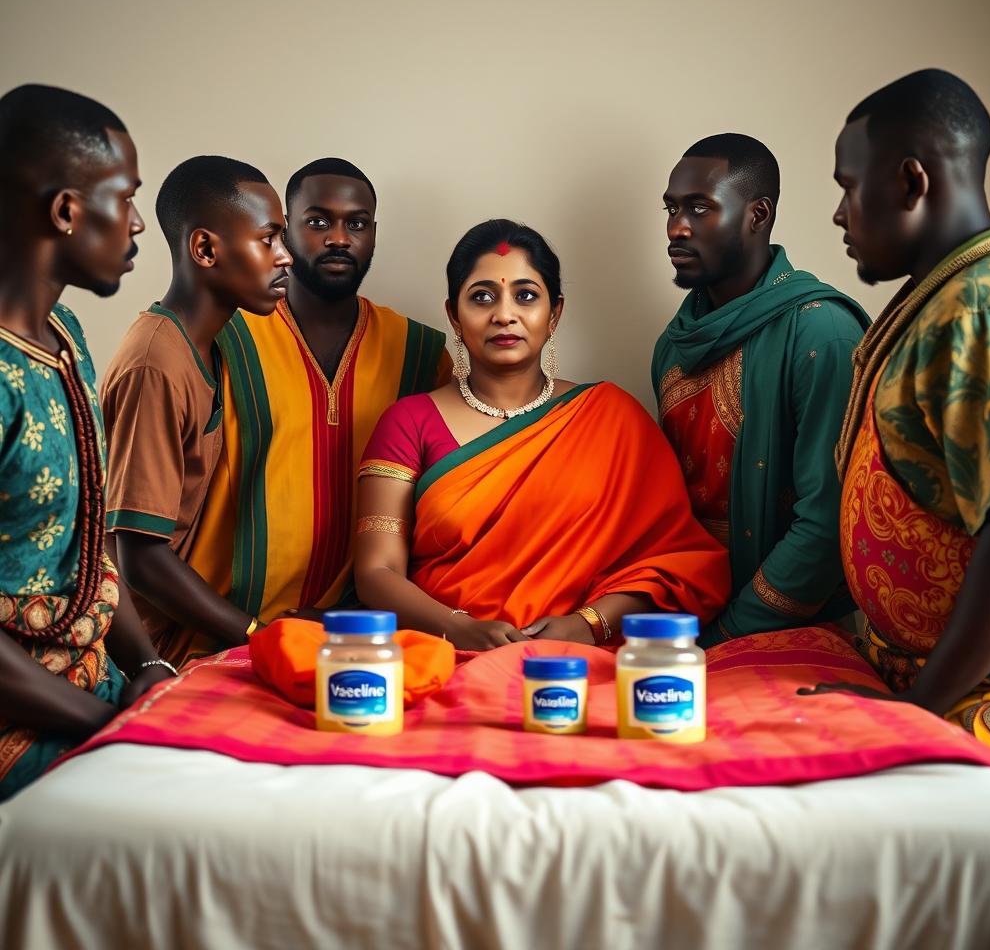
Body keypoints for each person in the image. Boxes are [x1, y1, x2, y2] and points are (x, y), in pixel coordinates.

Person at [354, 219, 731, 650]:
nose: (504, 314)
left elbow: (675, 562)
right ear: (453, 316)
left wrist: (587, 624)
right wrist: (457, 628)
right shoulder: (408, 423)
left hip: (573, 662)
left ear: (554, 314)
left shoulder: (612, 418)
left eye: (526, 295)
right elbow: (376, 572)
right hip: (443, 654)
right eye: (481, 297)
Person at [799, 69, 990, 764]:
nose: (839, 212)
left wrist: (916, 712)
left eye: (846, 184)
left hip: (987, 688)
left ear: (909, 183)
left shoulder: (980, 305)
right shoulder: (948, 292)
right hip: (915, 671)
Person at [185, 158, 451, 649]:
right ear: (284, 231)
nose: (339, 238)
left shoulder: (422, 354)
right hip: (217, 635)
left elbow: (432, 517)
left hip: (361, 636)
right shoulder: (227, 336)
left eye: (357, 223)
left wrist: (343, 616)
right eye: (318, 222)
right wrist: (254, 636)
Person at [0, 84, 170, 799]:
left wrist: (150, 669)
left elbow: (93, 539)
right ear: (68, 212)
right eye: (125, 197)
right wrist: (106, 723)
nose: (136, 223)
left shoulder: (65, 338)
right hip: (22, 729)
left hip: (94, 690)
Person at [653, 134, 869, 647]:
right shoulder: (674, 344)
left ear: (758, 214)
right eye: (671, 208)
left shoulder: (821, 332)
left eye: (700, 208)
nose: (676, 228)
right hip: (689, 620)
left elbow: (828, 519)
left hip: (799, 633)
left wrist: (729, 633)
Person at [101, 156, 292, 668]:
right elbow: (139, 559)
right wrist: (260, 635)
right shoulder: (156, 363)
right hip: (138, 656)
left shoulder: (212, 347)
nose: (286, 257)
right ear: (205, 248)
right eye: (268, 239)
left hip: (187, 636)